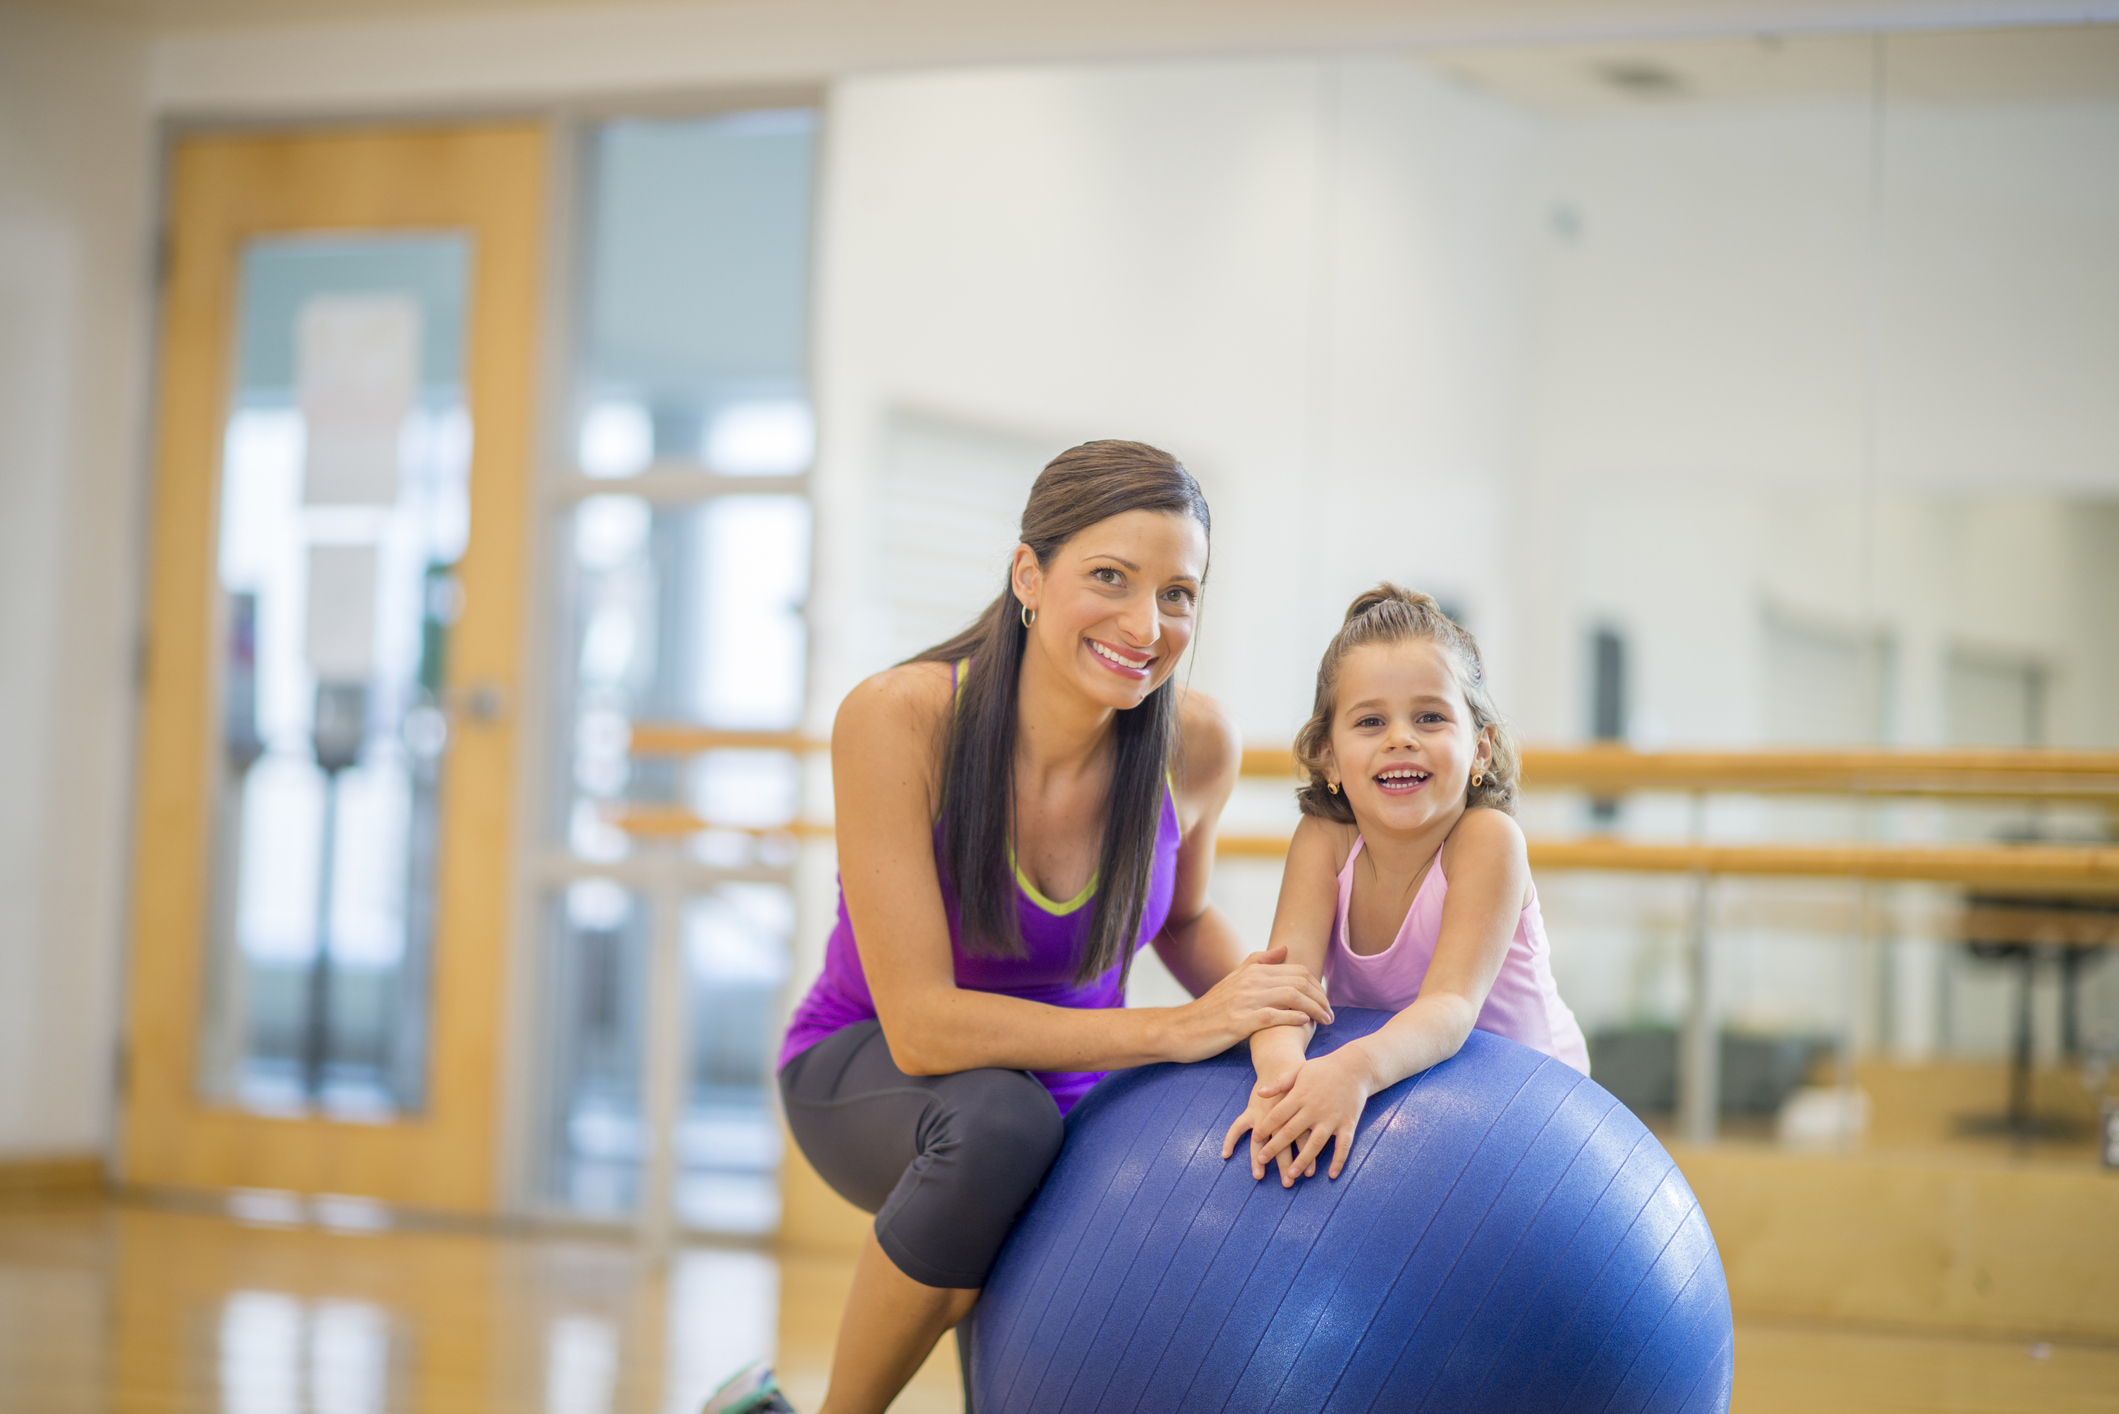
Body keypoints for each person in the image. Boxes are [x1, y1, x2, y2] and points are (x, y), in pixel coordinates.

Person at [707, 441, 1334, 1414]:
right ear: (1028, 575)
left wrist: (1285, 1015)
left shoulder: (1193, 741)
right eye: (1110, 579)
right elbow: (920, 1024)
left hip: (1069, 1102)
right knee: (1000, 1122)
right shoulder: (900, 717)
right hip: (874, 1071)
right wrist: (1170, 1030)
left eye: (1178, 593)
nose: (1146, 623)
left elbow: (1186, 917)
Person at [1221, 585, 1589, 1189]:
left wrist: (1353, 1072)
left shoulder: (1488, 840)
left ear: (1480, 748)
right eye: (1370, 721)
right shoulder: (1323, 839)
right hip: (1412, 1088)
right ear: (1328, 758)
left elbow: (1449, 1007)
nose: (1401, 738)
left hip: (1534, 1104)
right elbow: (1287, 988)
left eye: (1430, 717)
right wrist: (1281, 1081)